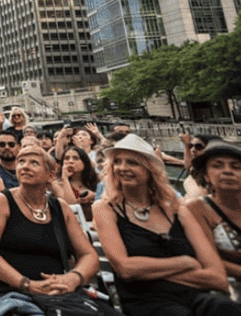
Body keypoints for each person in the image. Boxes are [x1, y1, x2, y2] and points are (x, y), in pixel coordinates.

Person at [93, 134, 240, 316]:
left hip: (193, 296)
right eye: (117, 162)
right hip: (145, 300)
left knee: (226, 308)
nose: (123, 168)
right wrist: (186, 262)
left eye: (133, 163)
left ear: (150, 170)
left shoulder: (178, 210)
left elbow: (217, 278)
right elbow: (125, 269)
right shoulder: (105, 209)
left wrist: (146, 272)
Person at [0, 146, 104, 313]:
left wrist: (73, 278)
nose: (25, 166)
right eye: (21, 161)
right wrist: (26, 284)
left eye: (34, 162)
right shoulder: (1, 201)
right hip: (9, 293)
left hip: (58, 294)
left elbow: (89, 255)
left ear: (50, 175)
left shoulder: (60, 208)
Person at [186, 139, 241, 301]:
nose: (227, 171)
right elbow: (208, 260)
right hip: (225, 289)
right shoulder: (197, 208)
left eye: (236, 167)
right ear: (206, 175)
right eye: (217, 166)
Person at [59, 144, 99, 221]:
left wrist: (95, 196)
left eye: (76, 158)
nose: (70, 161)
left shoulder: (96, 179)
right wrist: (65, 178)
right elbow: (71, 205)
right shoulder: (58, 183)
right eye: (66, 158)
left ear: (84, 162)